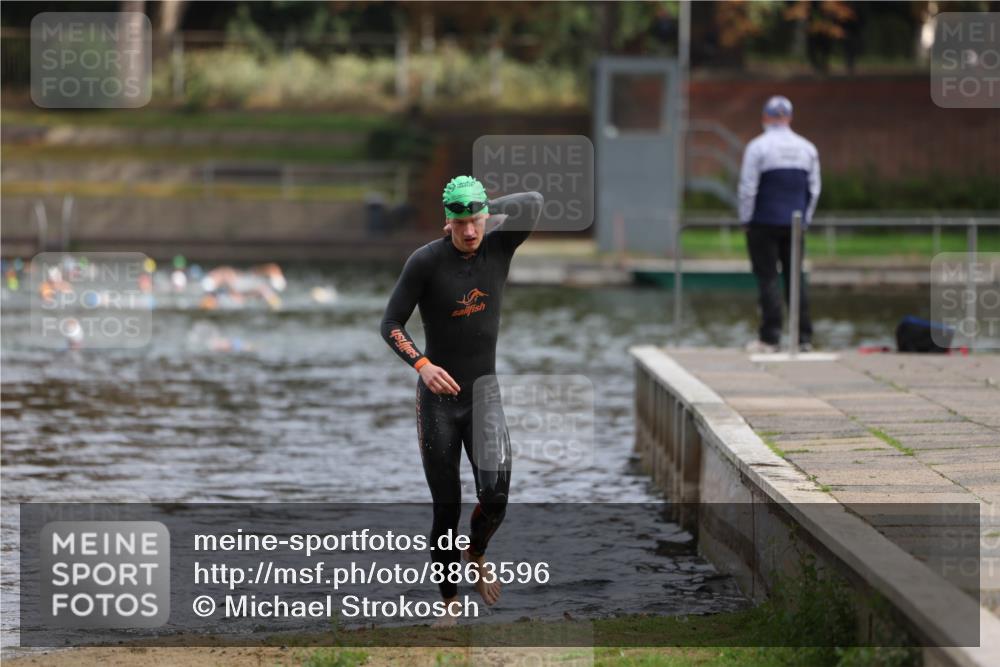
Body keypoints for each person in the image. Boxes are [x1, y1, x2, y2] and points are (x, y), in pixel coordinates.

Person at [381, 175, 543, 617]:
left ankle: (476, 553)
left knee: (496, 498)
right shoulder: (425, 262)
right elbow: (391, 324)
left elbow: (534, 200)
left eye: (475, 220)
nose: (469, 231)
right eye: (460, 222)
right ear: (446, 222)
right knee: (446, 507)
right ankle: (450, 604)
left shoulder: (499, 246)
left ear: (485, 217)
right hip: (439, 403)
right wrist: (422, 365)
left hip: (484, 397)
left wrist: (485, 204)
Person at [738, 95, 821, 353]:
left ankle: (770, 338)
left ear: (765, 118)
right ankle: (803, 338)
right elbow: (814, 189)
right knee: (796, 279)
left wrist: (745, 218)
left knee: (768, 278)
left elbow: (748, 188)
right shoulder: (807, 148)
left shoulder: (757, 147)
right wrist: (805, 219)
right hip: (794, 225)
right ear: (789, 118)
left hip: (763, 222)